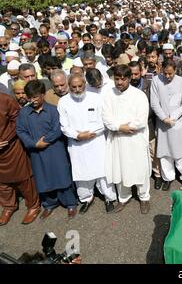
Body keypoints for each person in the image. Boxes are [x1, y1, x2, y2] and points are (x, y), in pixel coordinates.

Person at [16, 80, 78, 219]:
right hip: (36, 152)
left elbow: (58, 128)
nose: (32, 100)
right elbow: (20, 131)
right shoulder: (24, 113)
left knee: (62, 175)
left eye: (36, 97)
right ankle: (49, 204)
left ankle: (70, 203)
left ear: (43, 95)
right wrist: (34, 144)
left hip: (55, 150)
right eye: (30, 97)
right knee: (43, 178)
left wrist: (45, 141)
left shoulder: (53, 110)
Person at [57, 75, 117, 214]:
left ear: (85, 84)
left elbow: (104, 120)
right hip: (77, 144)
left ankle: (109, 198)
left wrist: (90, 134)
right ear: (68, 86)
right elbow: (64, 126)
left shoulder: (96, 98)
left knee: (103, 172)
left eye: (80, 86)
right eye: (73, 87)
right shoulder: (63, 102)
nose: (77, 90)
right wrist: (77, 135)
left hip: (96, 141)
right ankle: (86, 198)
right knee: (81, 174)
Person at [102, 65, 151, 214]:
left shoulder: (139, 95)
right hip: (117, 138)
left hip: (135, 138)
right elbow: (106, 117)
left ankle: (144, 197)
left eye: (123, 79)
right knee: (120, 168)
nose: (119, 82)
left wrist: (128, 127)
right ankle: (123, 197)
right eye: (117, 79)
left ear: (130, 79)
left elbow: (142, 119)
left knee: (140, 168)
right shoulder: (108, 95)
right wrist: (119, 127)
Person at [0, 93, 40, 226]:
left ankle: (33, 205)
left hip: (10, 146)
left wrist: (5, 138)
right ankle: (8, 207)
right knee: (2, 183)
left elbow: (16, 119)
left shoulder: (5, 99)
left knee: (23, 178)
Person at [151, 60, 182, 191]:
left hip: (178, 122)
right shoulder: (156, 80)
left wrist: (173, 117)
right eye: (165, 73)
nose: (167, 76)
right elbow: (154, 103)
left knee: (181, 152)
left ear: (175, 70)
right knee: (165, 152)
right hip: (162, 123)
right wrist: (163, 118)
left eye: (170, 74)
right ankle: (168, 177)